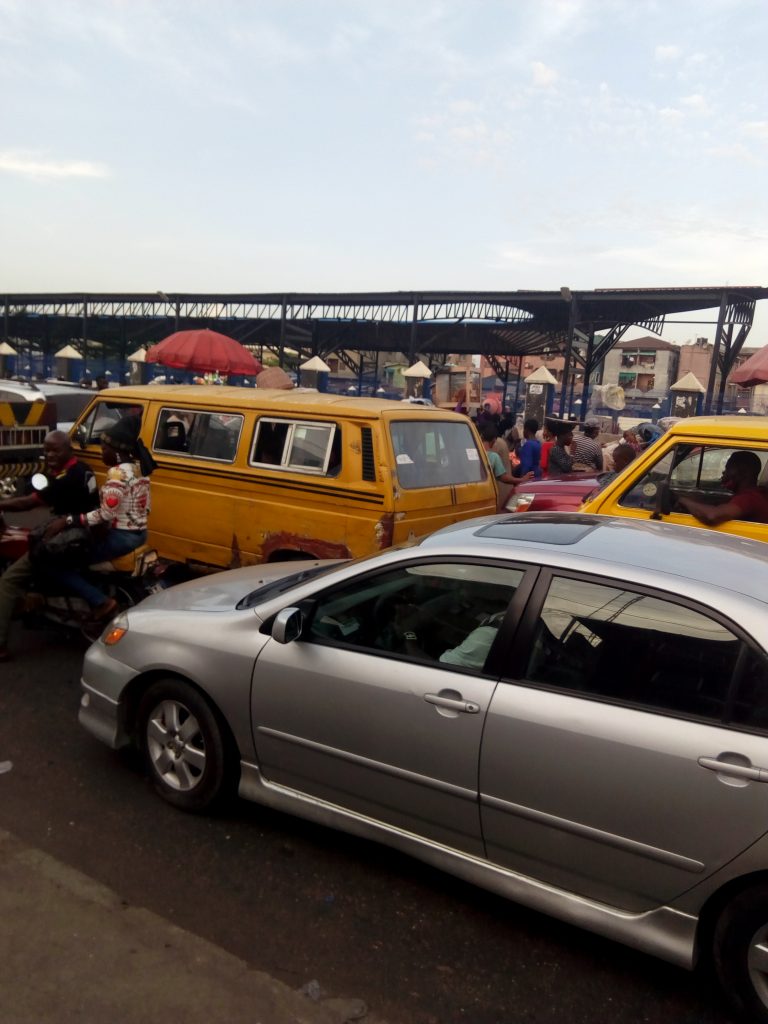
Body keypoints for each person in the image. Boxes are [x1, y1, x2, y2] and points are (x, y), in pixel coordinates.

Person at [41, 416, 154, 622]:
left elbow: (105, 514)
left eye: (104, 449)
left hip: (121, 538)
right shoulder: (140, 470)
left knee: (58, 564)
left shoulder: (117, 474)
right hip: (140, 534)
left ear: (116, 451)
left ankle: (101, 601)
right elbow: (146, 508)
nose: (102, 453)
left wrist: (68, 521)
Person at [0, 431, 98, 661]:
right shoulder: (84, 469)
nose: (49, 454)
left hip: (69, 536)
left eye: (55, 450)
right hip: (86, 530)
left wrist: (2, 503)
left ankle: (0, 645)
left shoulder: (66, 479)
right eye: (46, 450)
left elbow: (29, 502)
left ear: (68, 450)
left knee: (8, 581)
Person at [677, 451, 768, 525]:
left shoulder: (749, 498)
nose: (724, 473)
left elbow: (712, 516)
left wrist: (682, 500)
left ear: (744, 472)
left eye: (728, 468)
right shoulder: (755, 494)